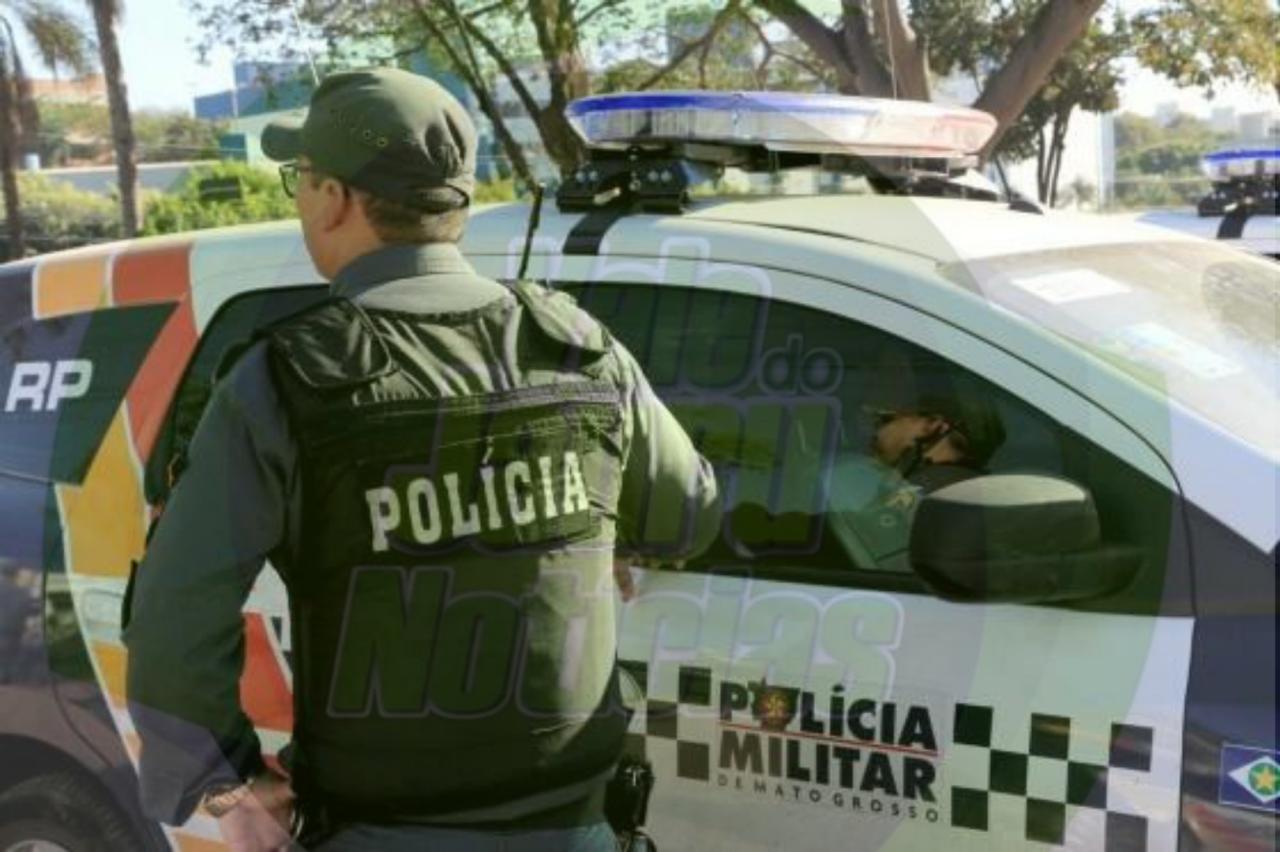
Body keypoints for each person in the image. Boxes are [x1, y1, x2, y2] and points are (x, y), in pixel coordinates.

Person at [124, 67, 721, 852]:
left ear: (333, 198)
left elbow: (174, 620)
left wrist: (229, 785)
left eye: (300, 179)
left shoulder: (286, 378)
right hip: (575, 825)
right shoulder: (578, 349)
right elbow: (686, 516)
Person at [827, 386, 1006, 570]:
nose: (874, 432)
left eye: (884, 420)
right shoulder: (966, 489)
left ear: (932, 424)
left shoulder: (928, 495)